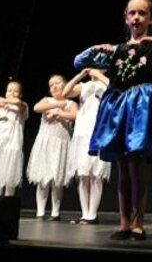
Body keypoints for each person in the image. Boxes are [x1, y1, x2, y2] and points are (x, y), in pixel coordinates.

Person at [73, 0, 152, 240]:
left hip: (140, 109)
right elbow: (78, 62)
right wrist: (96, 49)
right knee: (123, 168)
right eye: (132, 13)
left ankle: (138, 222)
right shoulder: (116, 50)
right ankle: (124, 222)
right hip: (117, 109)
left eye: (142, 13)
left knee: (136, 166)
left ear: (151, 19)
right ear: (126, 19)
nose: (137, 17)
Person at [62, 68, 111, 225]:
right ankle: (84, 213)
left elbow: (116, 91)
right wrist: (79, 76)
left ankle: (92, 214)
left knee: (96, 174)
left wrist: (100, 76)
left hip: (99, 132)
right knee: (83, 174)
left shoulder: (106, 84)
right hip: (82, 132)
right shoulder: (84, 86)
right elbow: (65, 93)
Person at [27, 75, 77, 221]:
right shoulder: (47, 100)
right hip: (45, 143)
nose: (54, 86)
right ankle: (40, 212)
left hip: (61, 143)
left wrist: (59, 113)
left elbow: (75, 115)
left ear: (65, 85)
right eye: (51, 85)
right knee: (43, 177)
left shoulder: (70, 103)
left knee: (57, 178)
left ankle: (55, 212)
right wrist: (58, 105)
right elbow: (37, 108)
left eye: (57, 83)